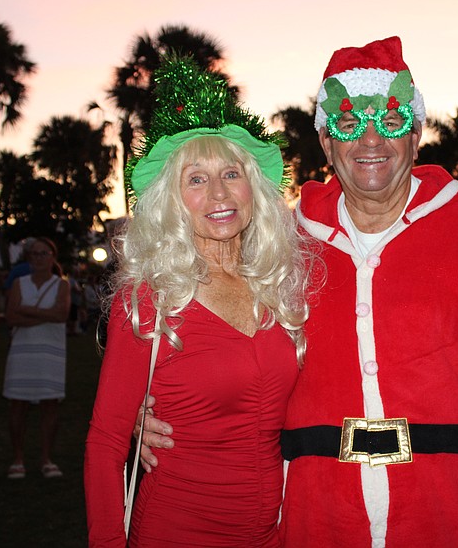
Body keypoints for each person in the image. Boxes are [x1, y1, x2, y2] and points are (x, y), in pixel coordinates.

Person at [141, 37, 458, 547]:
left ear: (418, 132)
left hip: (449, 509)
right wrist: (158, 409)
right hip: (316, 514)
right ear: (325, 141)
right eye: (348, 122)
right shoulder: (280, 244)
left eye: (391, 120)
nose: (371, 140)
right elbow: (222, 349)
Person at [83, 56, 316, 547]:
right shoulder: (151, 299)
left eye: (231, 173)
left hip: (278, 532)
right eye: (195, 179)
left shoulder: (284, 287)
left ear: (254, 188)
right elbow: (105, 443)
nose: (218, 193)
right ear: (172, 200)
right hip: (178, 528)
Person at [2, 237, 70, 479]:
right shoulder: (20, 283)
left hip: (50, 353)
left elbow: (61, 314)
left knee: (49, 405)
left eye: (44, 253)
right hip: (22, 352)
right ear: (28, 258)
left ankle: (46, 458)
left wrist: (25, 310)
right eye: (35, 254)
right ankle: (18, 458)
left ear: (53, 257)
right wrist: (45, 314)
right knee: (17, 404)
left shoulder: (61, 285)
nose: (39, 258)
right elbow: (11, 316)